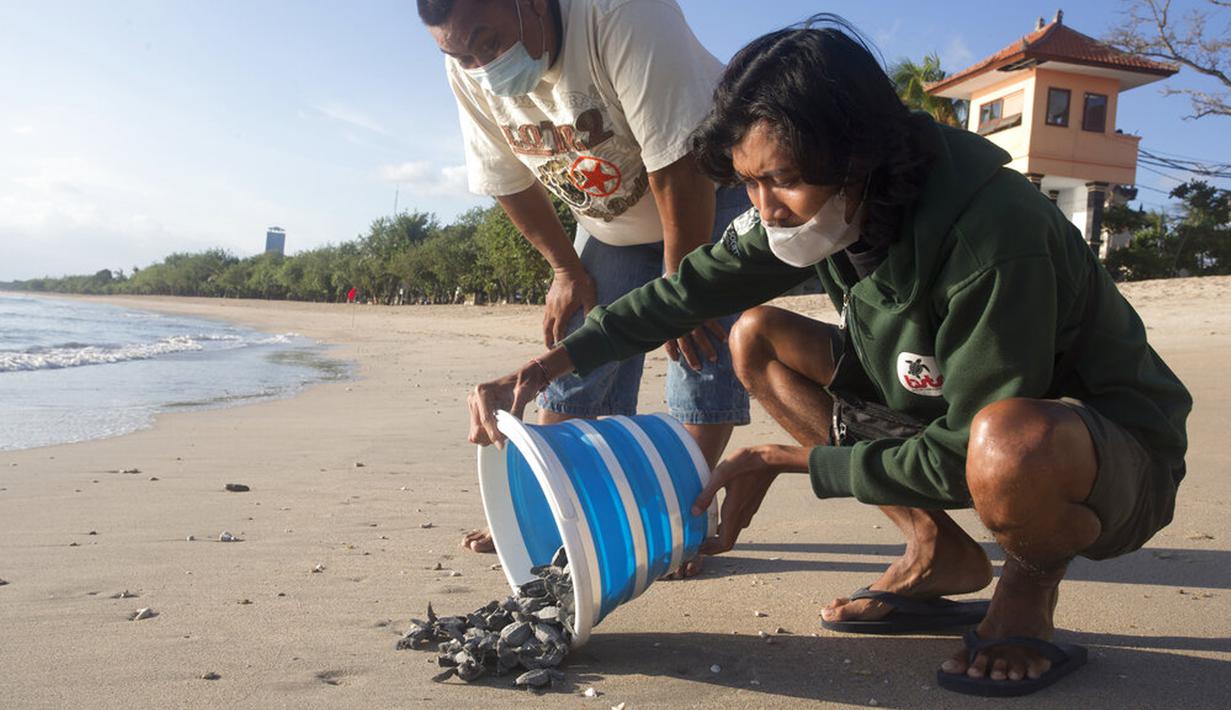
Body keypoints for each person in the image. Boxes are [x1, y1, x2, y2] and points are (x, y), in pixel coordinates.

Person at [467, 16, 1192, 697]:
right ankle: (935, 550)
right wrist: (547, 367)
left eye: (780, 179)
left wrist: (789, 460)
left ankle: (1027, 592)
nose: (767, 207)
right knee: (754, 334)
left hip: (1099, 455)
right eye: (748, 183)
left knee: (1007, 448)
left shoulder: (993, 237)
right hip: (943, 406)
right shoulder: (842, 207)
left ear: (859, 155)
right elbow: (685, 291)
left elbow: (960, 453)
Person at [417, 0, 752, 572]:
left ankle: (680, 516)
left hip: (711, 189)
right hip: (614, 224)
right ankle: (550, 513)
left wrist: (682, 289)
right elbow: (505, 176)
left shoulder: (621, 12)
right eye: (461, 52)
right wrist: (566, 268)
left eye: (489, 41)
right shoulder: (466, 63)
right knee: (577, 364)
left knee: (702, 355)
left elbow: (679, 161)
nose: (480, 63)